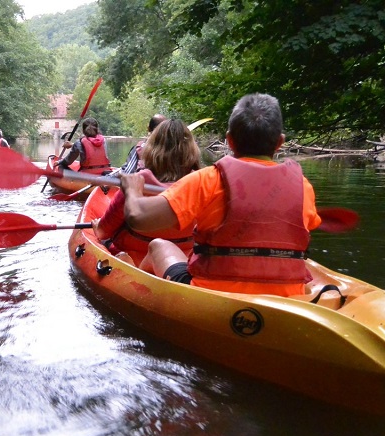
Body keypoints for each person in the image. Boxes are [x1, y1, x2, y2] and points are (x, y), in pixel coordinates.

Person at [120, 93, 321, 296]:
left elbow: (138, 218)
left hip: (210, 294)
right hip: (287, 296)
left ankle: (141, 290)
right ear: (280, 142)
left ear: (229, 141)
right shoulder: (304, 187)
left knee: (159, 245)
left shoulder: (206, 179)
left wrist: (132, 189)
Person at [93, 118, 202, 266]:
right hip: (183, 257)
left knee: (103, 238)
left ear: (151, 148)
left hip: (133, 255)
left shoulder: (137, 183)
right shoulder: (203, 184)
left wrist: (97, 225)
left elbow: (103, 231)